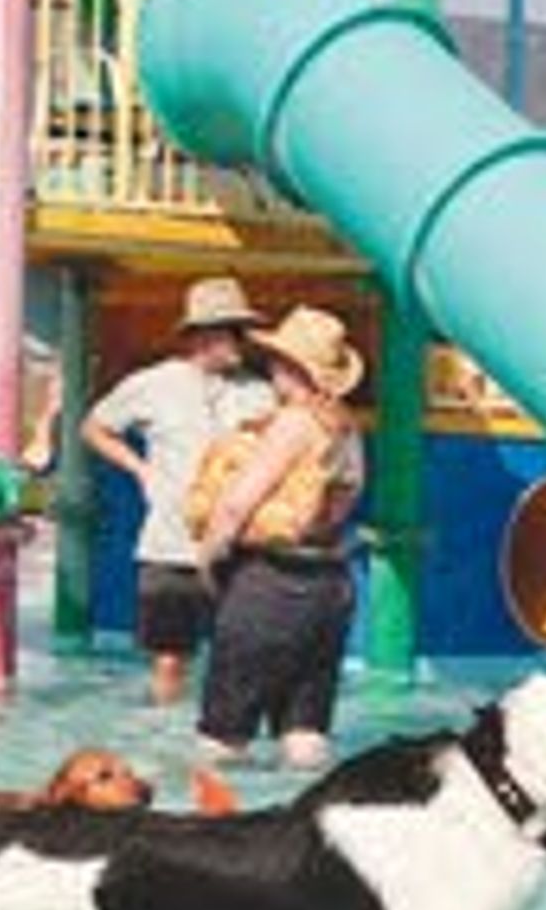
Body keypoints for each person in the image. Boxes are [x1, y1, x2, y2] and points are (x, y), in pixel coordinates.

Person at [78, 276, 272, 703]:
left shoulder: (260, 393)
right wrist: (141, 470)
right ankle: (164, 735)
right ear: (202, 335)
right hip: (170, 545)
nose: (243, 340)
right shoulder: (153, 384)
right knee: (169, 658)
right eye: (232, 330)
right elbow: (94, 428)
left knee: (239, 655)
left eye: (243, 330)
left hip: (238, 548)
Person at [193, 305, 366, 769]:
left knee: (222, 741)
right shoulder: (348, 429)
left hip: (271, 583)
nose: (270, 368)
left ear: (294, 369)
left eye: (277, 361)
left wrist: (208, 557)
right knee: (305, 736)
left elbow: (236, 504)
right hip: (332, 586)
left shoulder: (293, 424)